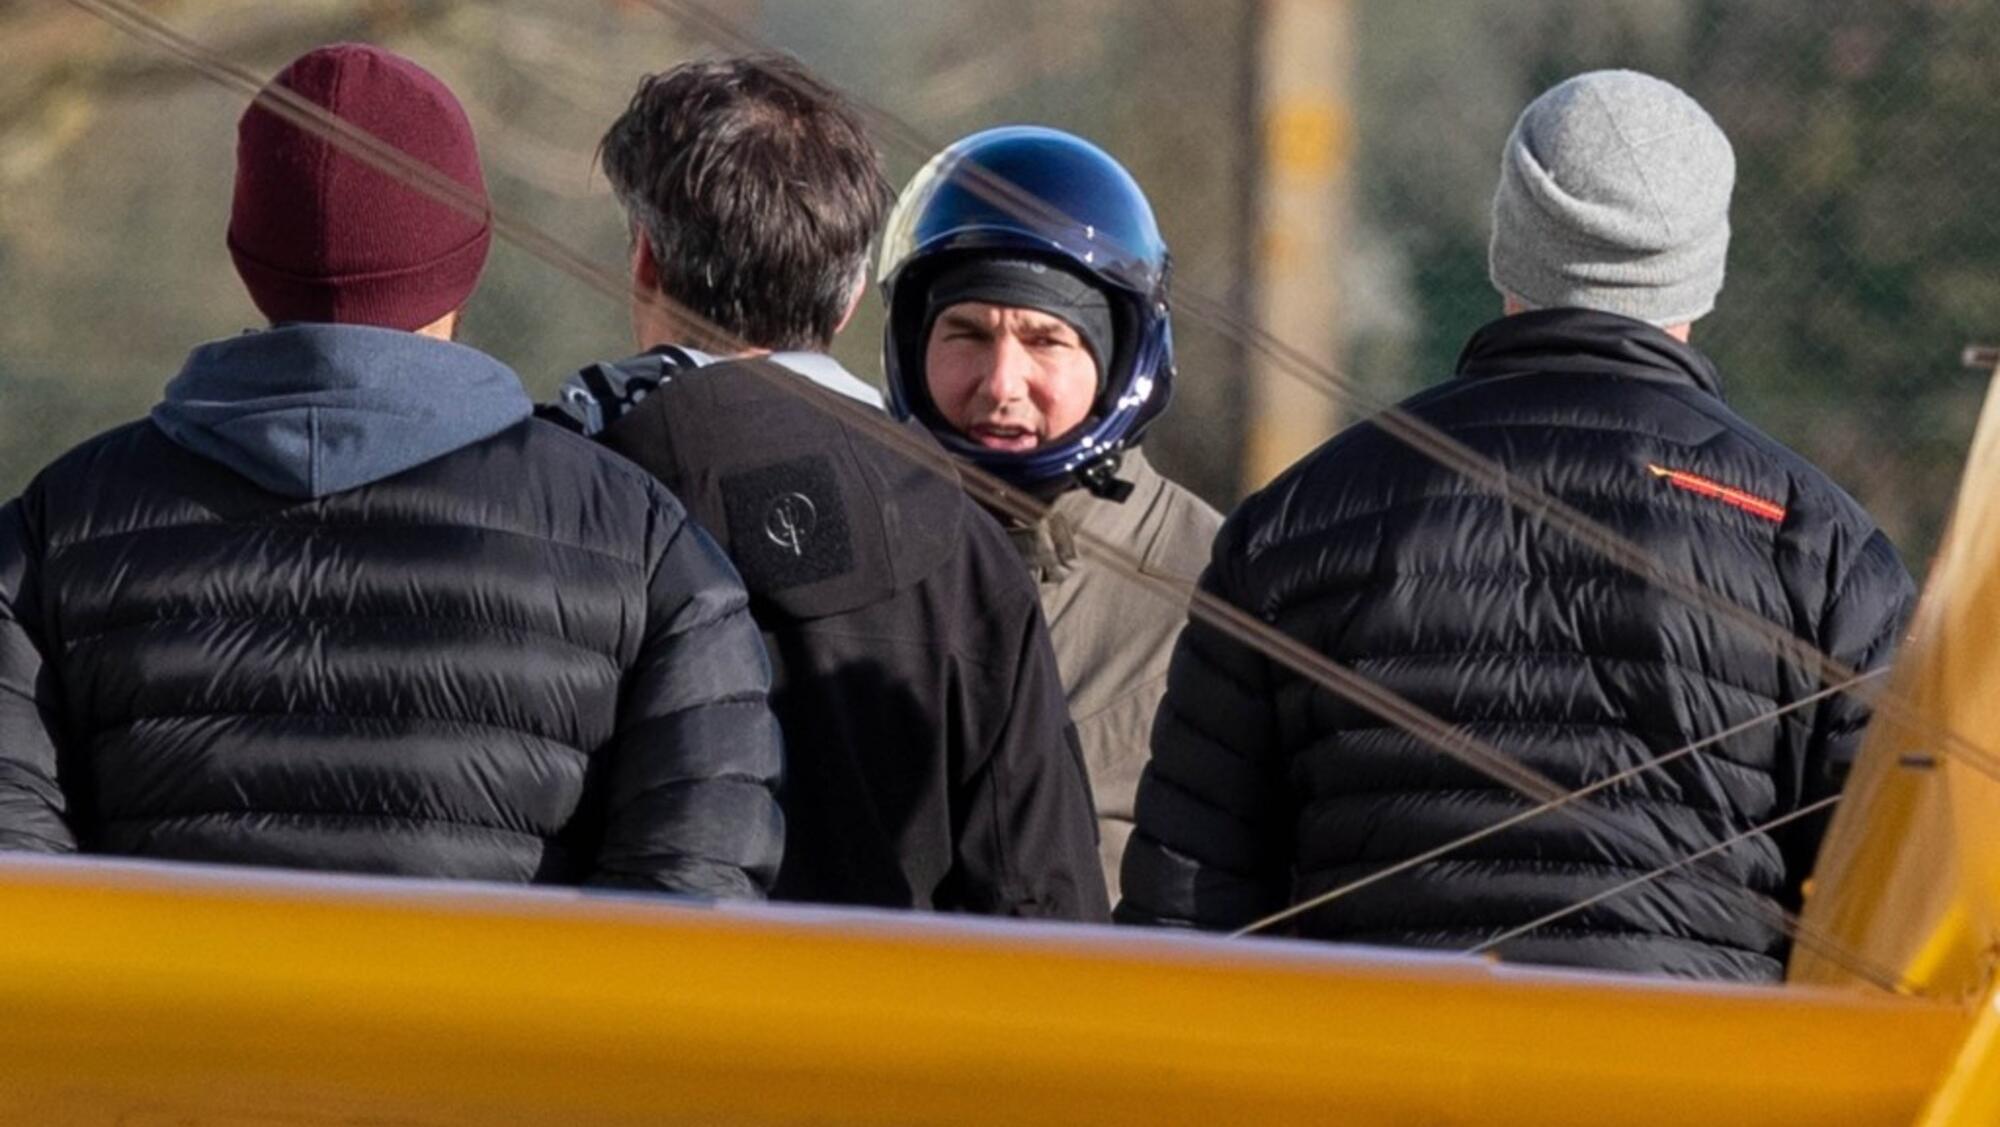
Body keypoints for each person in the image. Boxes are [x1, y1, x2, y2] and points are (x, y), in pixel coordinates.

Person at [1116, 70, 1916, 981]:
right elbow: (1891, 927)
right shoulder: (1821, 552)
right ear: (1703, 267)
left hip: (1368, 1082)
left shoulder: (1297, 524)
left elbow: (1184, 914)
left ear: (1511, 247)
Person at [0, 44, 785, 898]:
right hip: (511, 1031)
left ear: (248, 251)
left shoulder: (52, 534)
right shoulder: (646, 546)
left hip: (159, 1032)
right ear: (468, 251)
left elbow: (20, 876)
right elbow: (695, 891)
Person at [546, 57, 1107, 919]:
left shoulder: (541, 500)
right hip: (889, 1047)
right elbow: (1042, 908)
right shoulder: (968, 549)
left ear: (646, 263)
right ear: (850, 297)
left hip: (602, 1036)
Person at [877, 126, 1223, 903]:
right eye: (966, 334)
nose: (1003, 383)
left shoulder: (1216, 589)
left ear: (1117, 360)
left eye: (1046, 340)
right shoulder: (852, 557)